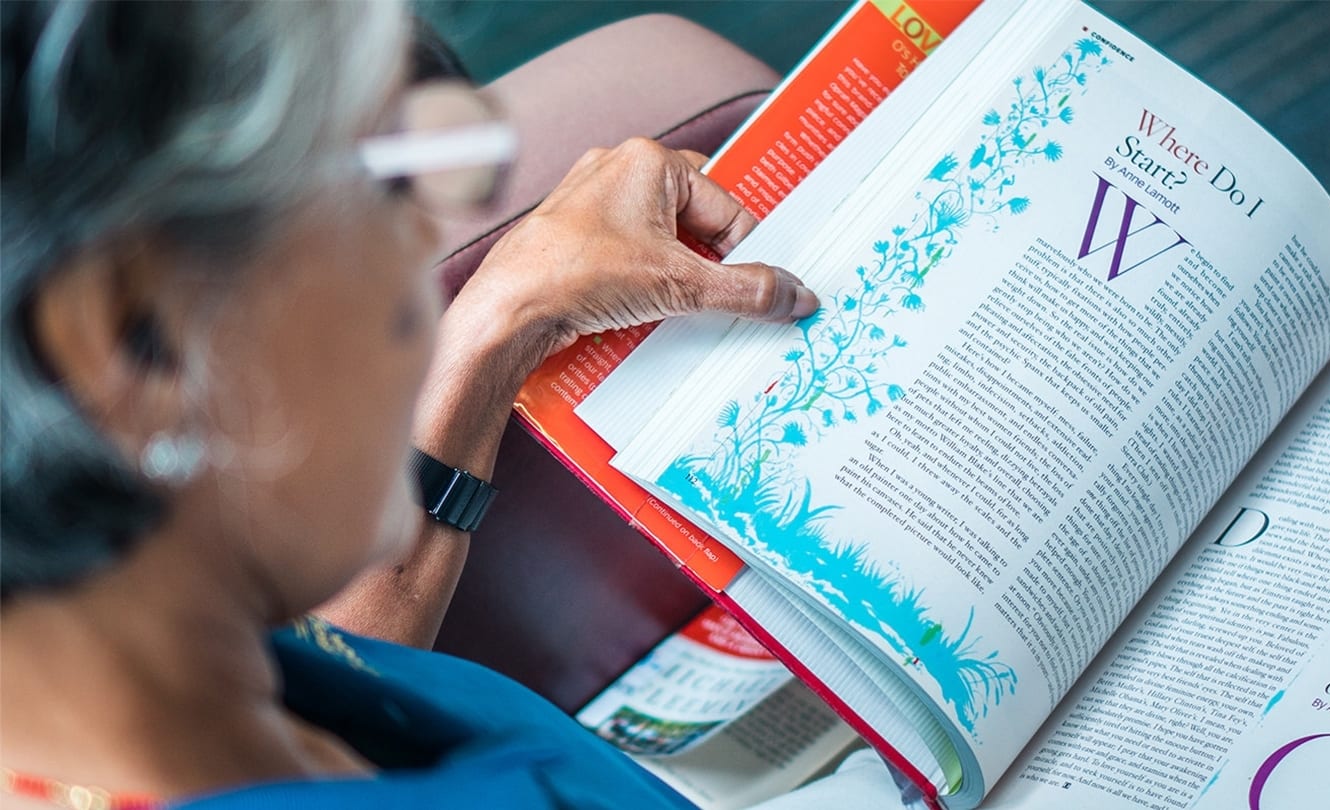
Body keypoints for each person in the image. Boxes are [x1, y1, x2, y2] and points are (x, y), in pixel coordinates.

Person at [0, 2, 905, 807]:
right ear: (134, 341)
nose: (427, 280)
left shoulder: (164, 661)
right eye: (388, 206)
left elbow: (345, 666)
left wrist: (503, 324)